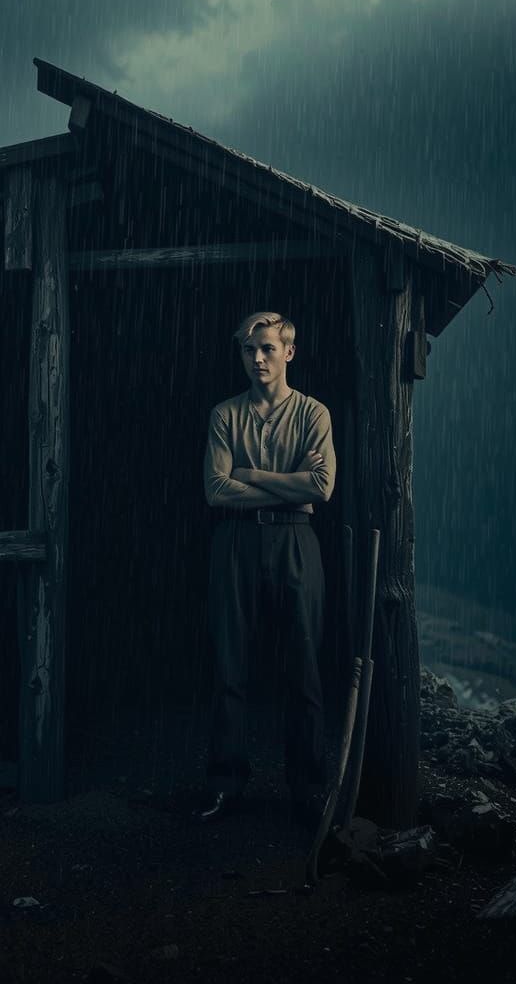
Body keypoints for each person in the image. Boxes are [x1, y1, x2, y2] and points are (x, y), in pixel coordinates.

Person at [198, 311, 335, 824]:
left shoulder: (314, 414)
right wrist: (288, 481)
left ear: (289, 352)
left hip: (297, 541)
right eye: (248, 349)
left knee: (303, 667)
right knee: (229, 664)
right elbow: (214, 490)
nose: (257, 358)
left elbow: (321, 488)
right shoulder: (224, 415)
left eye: (267, 348)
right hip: (234, 542)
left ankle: (307, 786)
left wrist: (250, 474)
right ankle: (224, 783)